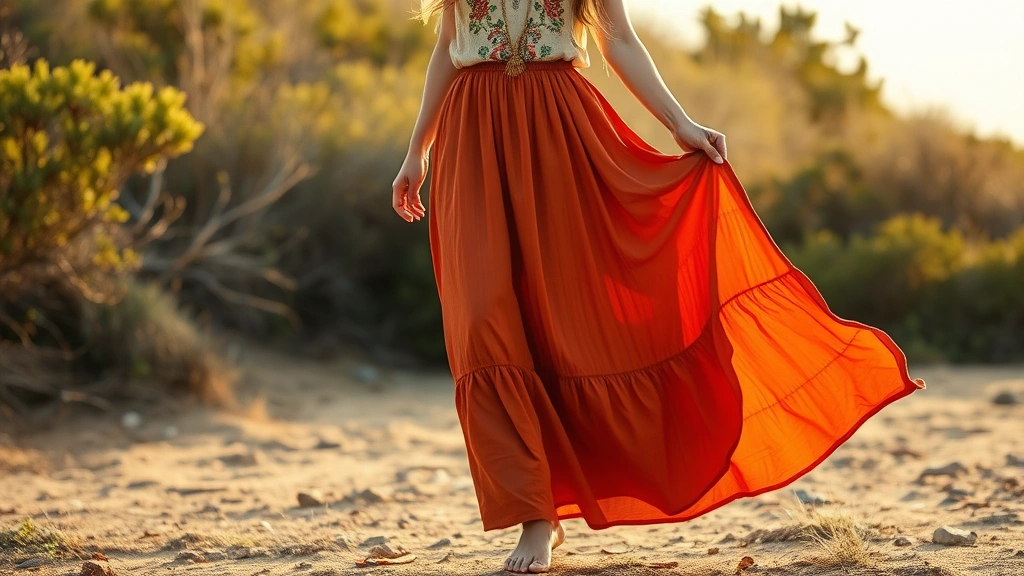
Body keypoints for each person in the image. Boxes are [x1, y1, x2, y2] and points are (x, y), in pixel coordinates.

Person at [391, 1, 925, 573]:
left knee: (563, 314)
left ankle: (540, 518)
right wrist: (416, 153)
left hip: (558, 131)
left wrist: (681, 124)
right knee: (479, 317)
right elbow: (447, 50)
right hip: (472, 135)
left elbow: (619, 40)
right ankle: (531, 508)